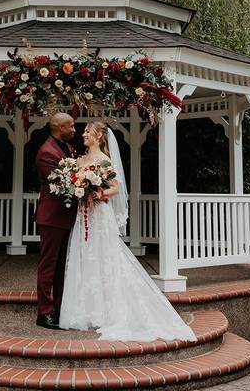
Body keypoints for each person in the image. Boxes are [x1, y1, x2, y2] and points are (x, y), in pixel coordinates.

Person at [58, 121, 197, 342]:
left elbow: (115, 188)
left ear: (98, 136)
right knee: (85, 257)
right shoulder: (80, 160)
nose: (83, 134)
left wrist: (96, 194)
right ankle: (85, 309)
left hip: (100, 216)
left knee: (104, 259)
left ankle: (108, 310)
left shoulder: (104, 160)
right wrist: (78, 191)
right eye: (83, 131)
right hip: (83, 215)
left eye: (87, 132)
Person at [33, 112, 78, 330]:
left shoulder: (66, 148)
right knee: (48, 267)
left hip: (65, 218)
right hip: (51, 218)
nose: (74, 130)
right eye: (71, 126)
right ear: (60, 128)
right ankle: (44, 312)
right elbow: (63, 186)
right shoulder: (46, 153)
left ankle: (60, 308)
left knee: (61, 267)